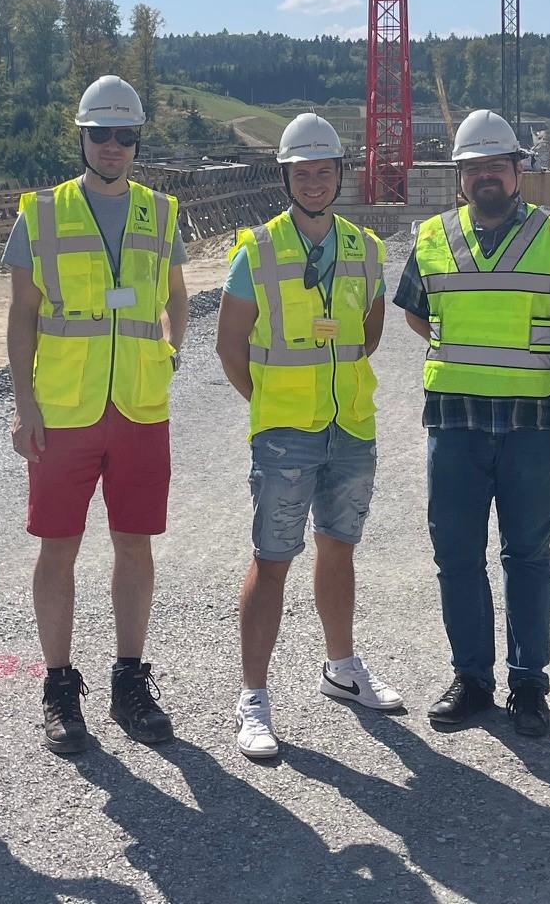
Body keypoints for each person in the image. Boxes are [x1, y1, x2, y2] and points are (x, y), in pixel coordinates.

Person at [394, 109, 550, 738]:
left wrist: (544, 355)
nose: (486, 176)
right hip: (454, 422)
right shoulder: (432, 236)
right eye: (474, 167)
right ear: (460, 176)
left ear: (518, 170)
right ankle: (472, 679)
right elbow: (415, 312)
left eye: (497, 165)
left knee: (527, 555)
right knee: (457, 555)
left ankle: (529, 683)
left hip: (530, 422)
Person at [5, 75, 190, 755]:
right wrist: (25, 406)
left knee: (134, 544)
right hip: (64, 410)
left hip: (139, 407)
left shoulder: (161, 212)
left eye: (125, 135)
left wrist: (170, 352)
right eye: (101, 134)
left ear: (138, 140)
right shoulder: (42, 213)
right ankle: (59, 687)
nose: (113, 146)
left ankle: (129, 681)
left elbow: (176, 295)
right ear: (81, 137)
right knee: (58, 548)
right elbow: (21, 315)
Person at [216, 113, 402, 759]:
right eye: (303, 173)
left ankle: (341, 669)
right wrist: (271, 401)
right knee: (272, 560)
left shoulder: (365, 249)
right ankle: (253, 699)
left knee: (339, 549)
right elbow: (230, 345)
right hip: (285, 435)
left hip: (350, 428)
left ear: (340, 174)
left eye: (324, 171)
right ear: (286, 177)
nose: (314, 183)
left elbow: (369, 333)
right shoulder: (257, 251)